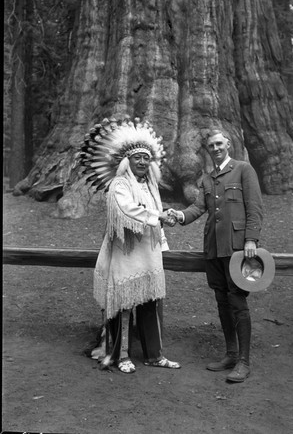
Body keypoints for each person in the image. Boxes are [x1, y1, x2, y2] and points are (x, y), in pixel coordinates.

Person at [79, 117, 181, 373]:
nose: (143, 162)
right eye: (138, 158)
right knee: (123, 303)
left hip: (148, 252)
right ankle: (121, 355)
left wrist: (164, 217)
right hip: (125, 251)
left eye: (147, 158)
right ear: (127, 161)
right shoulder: (119, 184)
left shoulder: (151, 184)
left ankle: (154, 355)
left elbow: (153, 212)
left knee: (149, 301)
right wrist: (157, 216)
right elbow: (127, 210)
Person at [168, 129, 263, 383]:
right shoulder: (207, 179)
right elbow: (199, 207)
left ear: (228, 144)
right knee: (221, 301)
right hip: (213, 248)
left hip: (236, 248)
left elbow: (254, 206)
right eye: (211, 145)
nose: (216, 148)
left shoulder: (243, 169)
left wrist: (251, 239)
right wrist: (179, 216)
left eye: (219, 143)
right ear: (208, 149)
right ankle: (231, 354)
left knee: (238, 301)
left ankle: (244, 361)